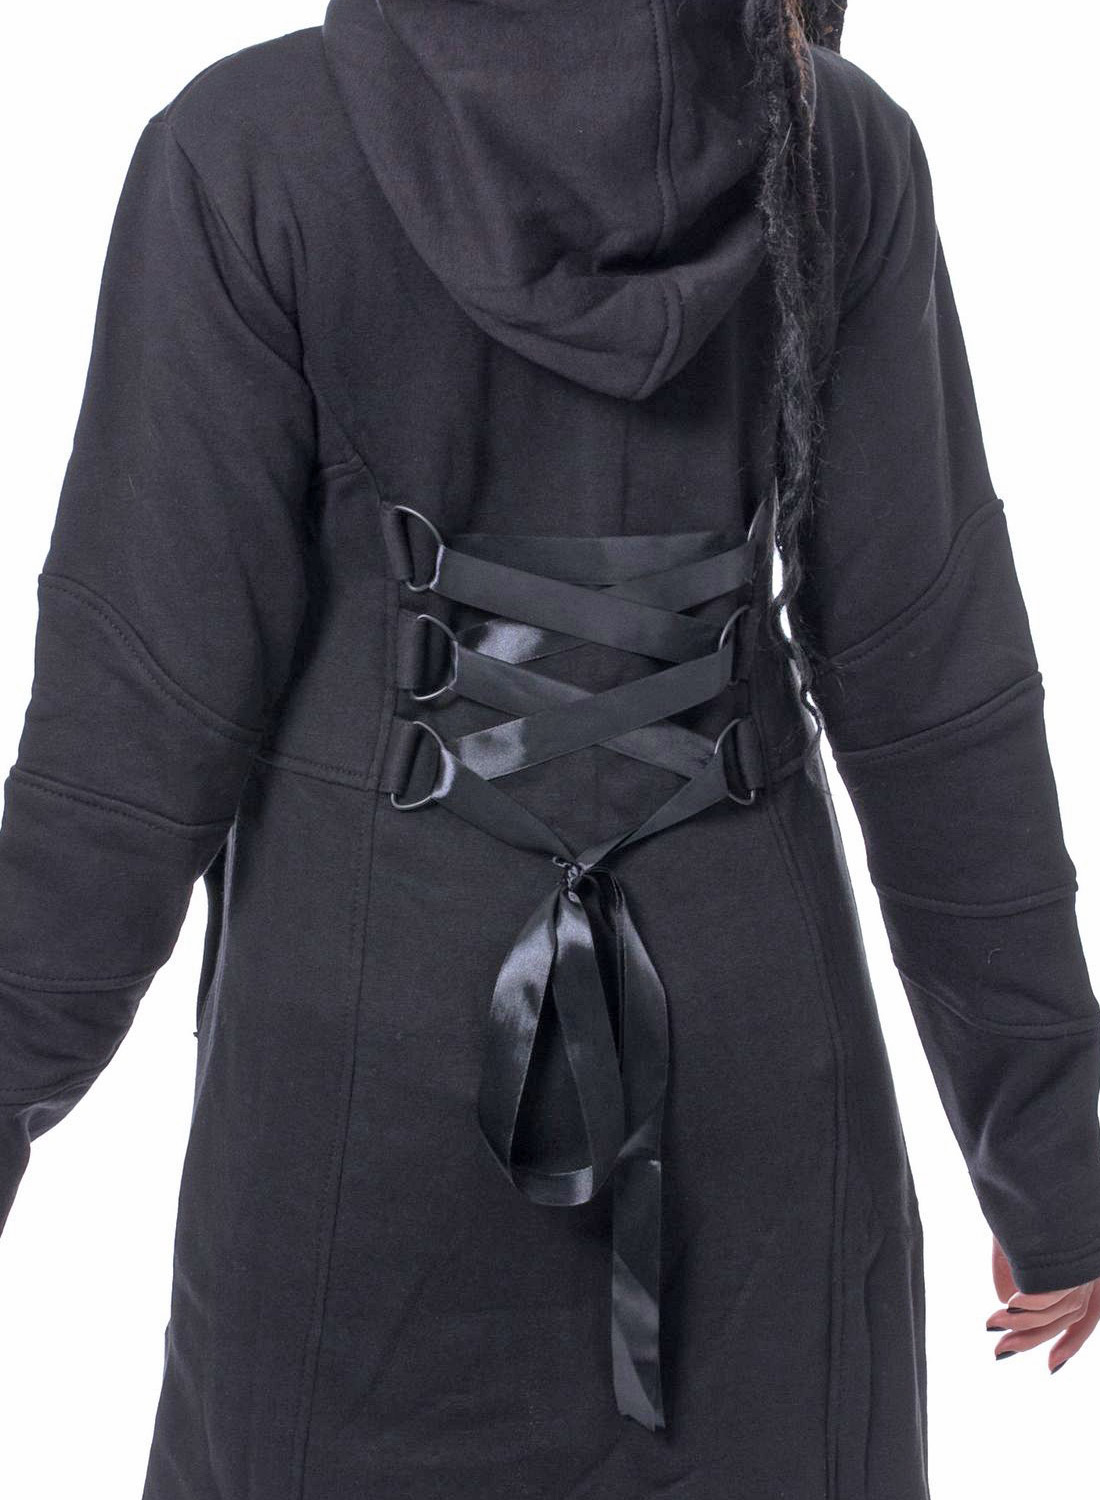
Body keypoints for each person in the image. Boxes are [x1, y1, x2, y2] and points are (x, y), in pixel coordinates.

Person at [1, 1, 1098, 1496]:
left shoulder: (253, 146)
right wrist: (1053, 1153)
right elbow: (934, 682)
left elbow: (133, 730)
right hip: (761, 1074)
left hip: (359, 1088)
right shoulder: (834, 138)